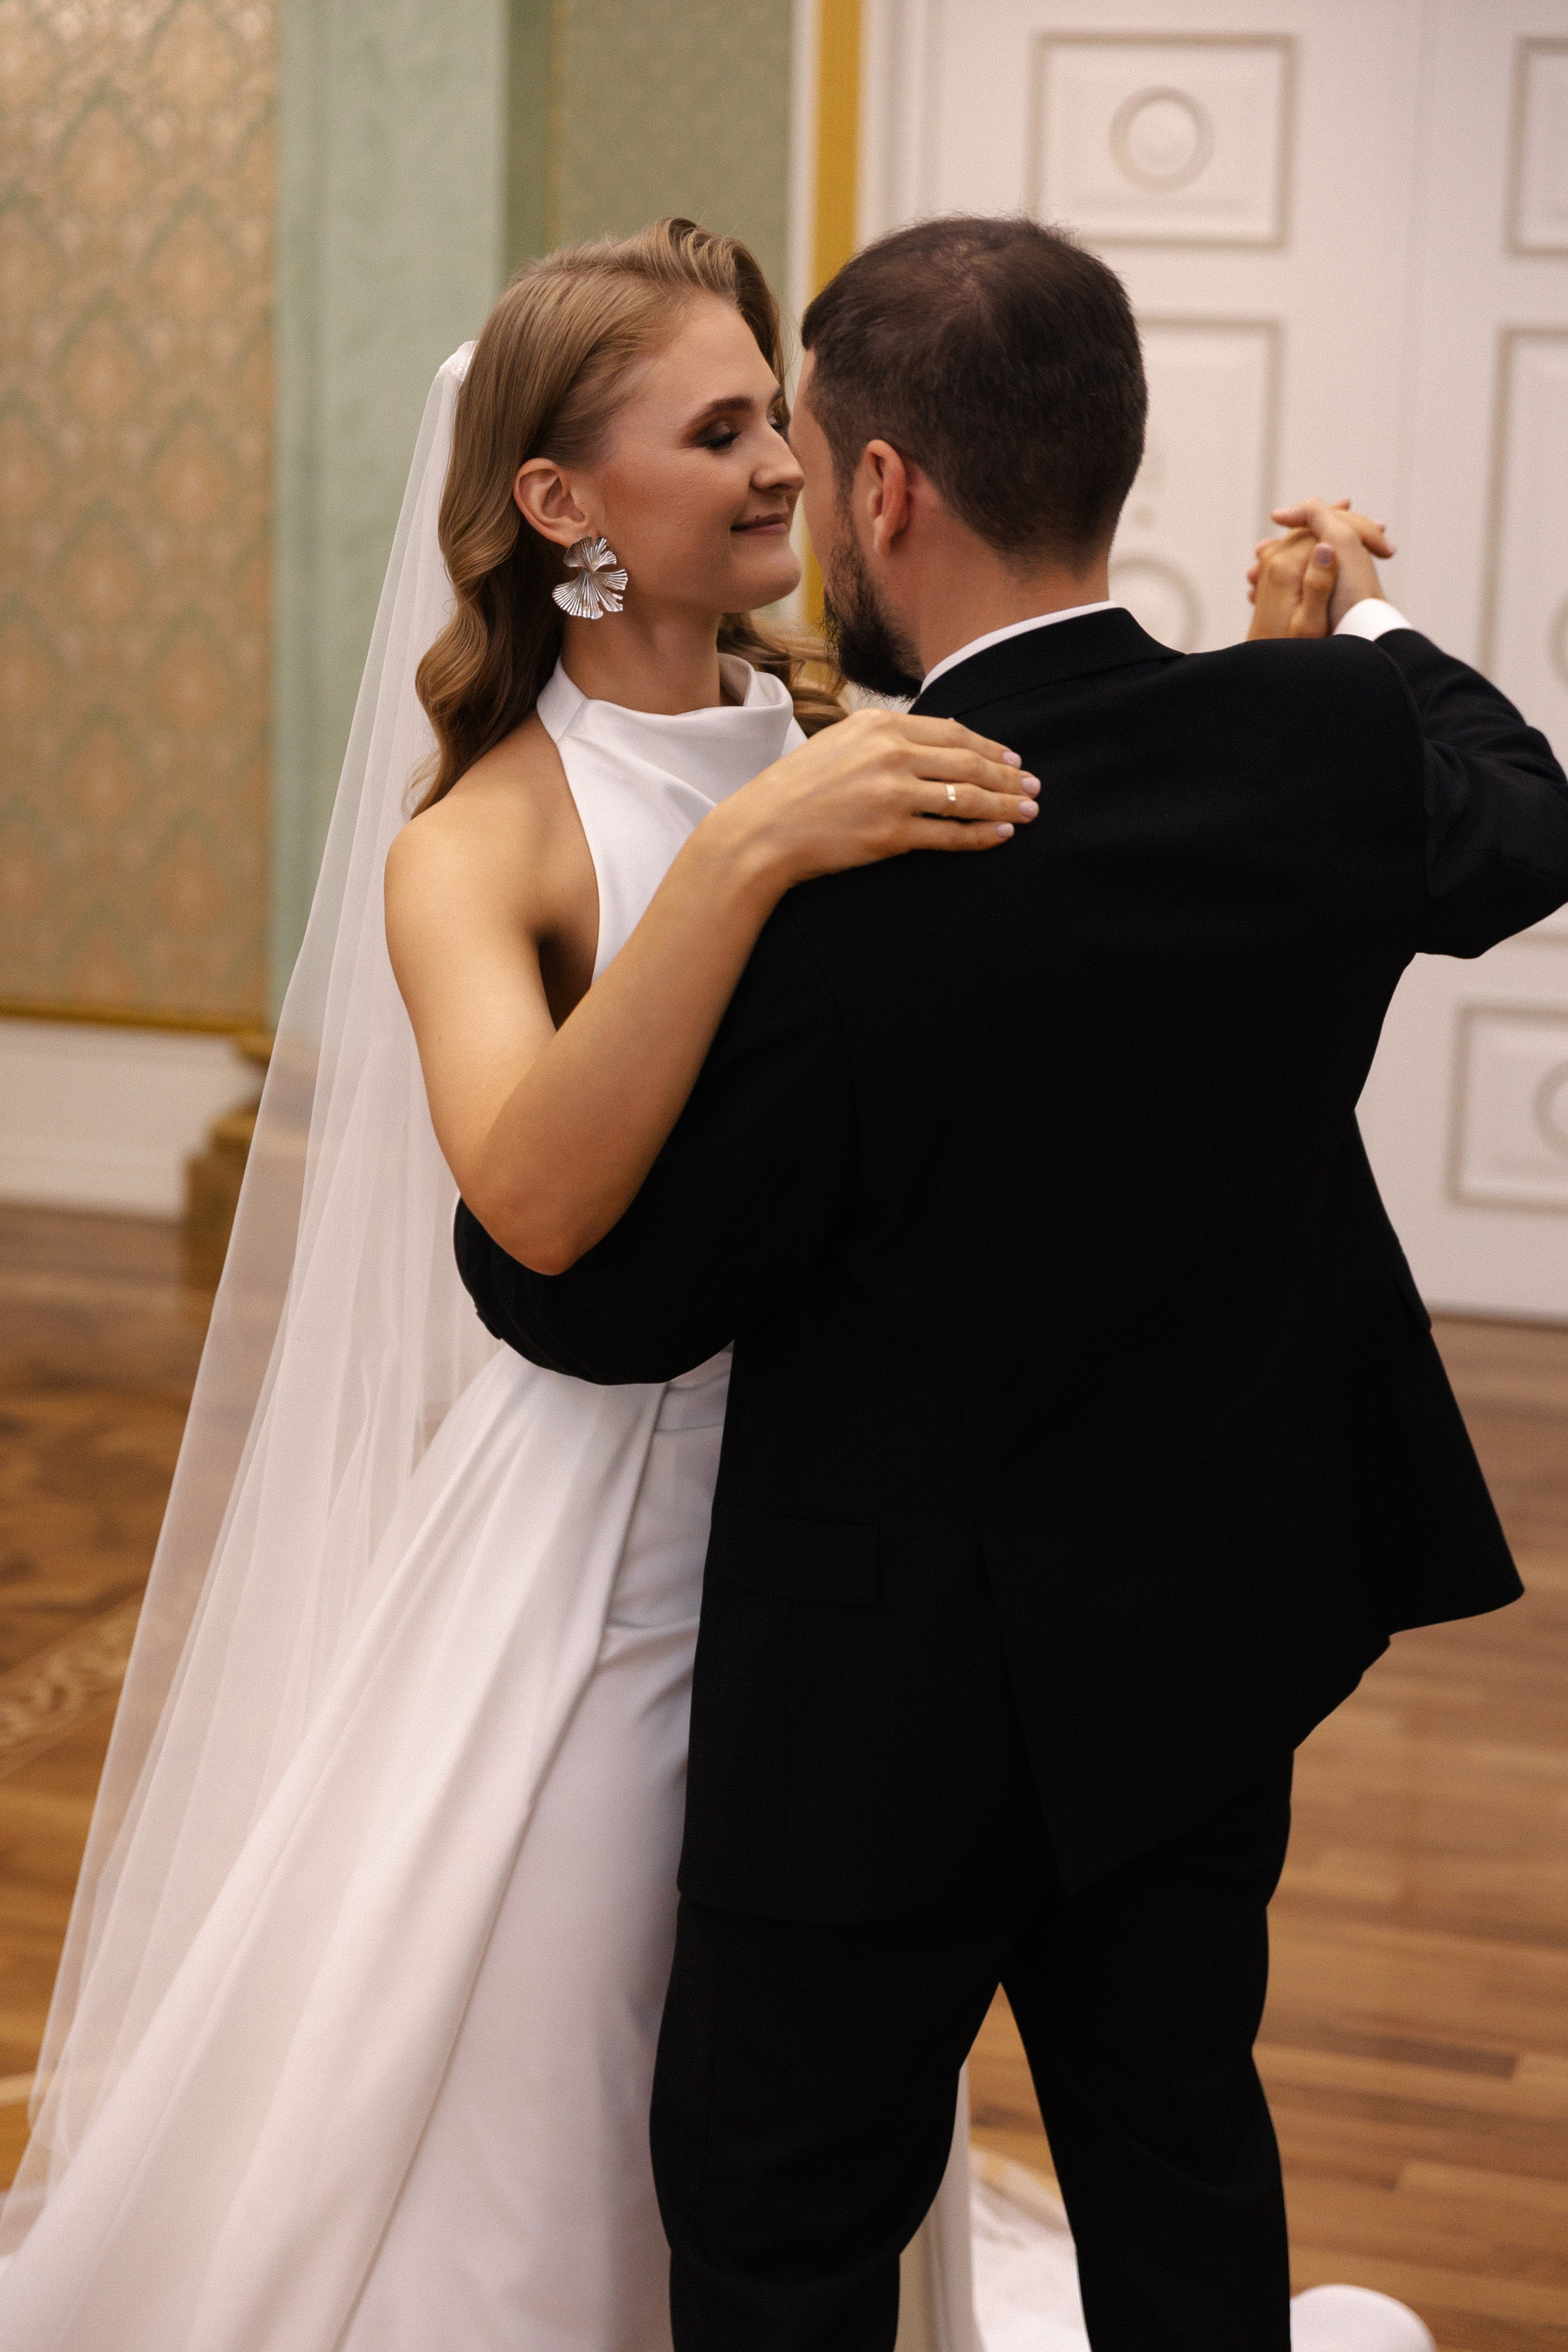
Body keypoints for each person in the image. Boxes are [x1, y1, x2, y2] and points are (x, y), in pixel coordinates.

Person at [456, 216, 1568, 2352]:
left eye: (802, 457)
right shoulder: (1318, 744)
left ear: (885, 489)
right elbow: (1523, 820)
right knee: (1178, 2161)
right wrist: (1355, 627)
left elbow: (600, 1305)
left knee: (782, 2231)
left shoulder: (847, 865)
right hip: (1207, 1640)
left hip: (878, 1703)